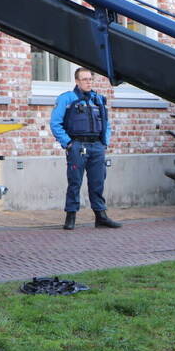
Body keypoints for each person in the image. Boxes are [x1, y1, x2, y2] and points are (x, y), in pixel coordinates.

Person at [49, 68, 121, 230]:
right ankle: (71, 216)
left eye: (90, 79)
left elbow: (106, 124)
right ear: (77, 81)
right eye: (84, 79)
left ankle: (101, 216)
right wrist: (68, 143)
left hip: (96, 146)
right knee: (75, 182)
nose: (88, 82)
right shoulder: (67, 99)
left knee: (98, 182)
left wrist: (104, 143)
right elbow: (55, 123)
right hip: (77, 145)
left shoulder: (98, 99)